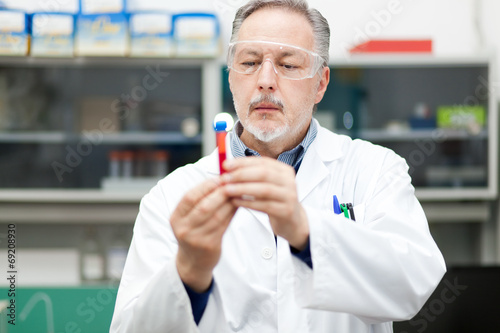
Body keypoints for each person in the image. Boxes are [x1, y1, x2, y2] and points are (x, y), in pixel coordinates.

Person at [110, 0, 446, 332]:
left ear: (321, 83)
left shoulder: (374, 170)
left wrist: (305, 231)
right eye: (250, 61)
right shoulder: (172, 196)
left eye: (288, 65)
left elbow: (413, 282)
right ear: (231, 77)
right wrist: (188, 271)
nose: (266, 80)